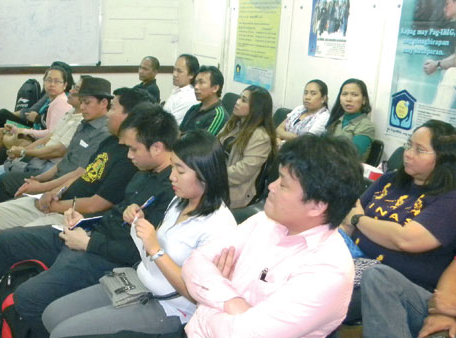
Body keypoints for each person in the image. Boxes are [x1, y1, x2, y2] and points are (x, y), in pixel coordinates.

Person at [0, 105, 180, 338]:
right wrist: (83, 222)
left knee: (28, 298)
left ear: (156, 148)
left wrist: (87, 244)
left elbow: (139, 252)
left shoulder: (170, 191)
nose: (128, 155)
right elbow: (114, 214)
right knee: (7, 242)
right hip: (91, 234)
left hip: (105, 257)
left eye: (134, 149)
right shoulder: (143, 170)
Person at [43, 129, 236, 338]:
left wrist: (156, 250)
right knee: (52, 315)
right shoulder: (180, 202)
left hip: (169, 307)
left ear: (206, 175)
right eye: (172, 167)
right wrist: (137, 219)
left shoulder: (219, 226)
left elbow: (199, 294)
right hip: (138, 282)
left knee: (63, 333)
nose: (171, 176)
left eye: (180, 171)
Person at [181, 134, 363, 337]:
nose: (271, 186)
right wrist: (231, 302)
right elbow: (195, 262)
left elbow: (243, 334)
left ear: (316, 205)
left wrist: (208, 301)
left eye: (283, 184)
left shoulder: (328, 271)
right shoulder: (266, 222)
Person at [0, 87, 154, 239]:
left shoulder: (130, 158)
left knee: (10, 240)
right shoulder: (110, 142)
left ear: (130, 117)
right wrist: (54, 192)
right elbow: (82, 173)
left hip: (76, 216)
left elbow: (97, 204)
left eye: (113, 108)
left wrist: (56, 205)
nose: (108, 113)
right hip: (62, 201)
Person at [339, 120, 456, 337]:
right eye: (409, 145)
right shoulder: (390, 180)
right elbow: (349, 216)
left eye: (419, 150)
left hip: (402, 280)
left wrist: (360, 221)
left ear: (443, 160)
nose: (408, 153)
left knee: (340, 292)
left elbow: (406, 240)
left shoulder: (449, 198)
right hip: (354, 261)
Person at [0, 78, 111, 204]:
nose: (82, 107)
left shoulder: (102, 133)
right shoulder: (83, 124)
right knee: (5, 177)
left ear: (103, 103)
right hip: (55, 174)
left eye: (87, 103)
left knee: (4, 181)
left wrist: (42, 186)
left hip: (67, 185)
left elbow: (78, 173)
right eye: (81, 102)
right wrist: (38, 178)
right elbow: (64, 161)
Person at [0, 65, 72, 179]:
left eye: (57, 81)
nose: (52, 84)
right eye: (49, 80)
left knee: (6, 137)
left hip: (44, 146)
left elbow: (50, 134)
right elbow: (31, 113)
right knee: (1, 131)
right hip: (39, 137)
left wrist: (23, 131)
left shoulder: (60, 103)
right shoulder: (50, 99)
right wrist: (19, 130)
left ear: (64, 85)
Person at [217, 85, 277, 208]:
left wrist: (213, 175)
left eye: (243, 100)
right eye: (239, 97)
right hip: (217, 179)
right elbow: (214, 145)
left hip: (235, 191)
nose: (237, 102)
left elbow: (243, 171)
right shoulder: (233, 123)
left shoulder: (260, 136)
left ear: (256, 108)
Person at [325, 78, 375, 161]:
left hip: (348, 170)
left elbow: (351, 155)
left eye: (354, 95)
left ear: (364, 100)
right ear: (340, 99)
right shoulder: (336, 120)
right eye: (344, 94)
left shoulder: (366, 126)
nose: (348, 99)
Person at [179, 65, 228, 135]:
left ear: (215, 88)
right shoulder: (193, 109)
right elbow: (180, 132)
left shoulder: (218, 115)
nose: (196, 87)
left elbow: (204, 144)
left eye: (201, 83)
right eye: (195, 83)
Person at [163, 54, 199, 124]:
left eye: (179, 71)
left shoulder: (189, 97)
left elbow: (170, 124)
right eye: (174, 70)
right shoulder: (177, 90)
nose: (174, 74)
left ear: (191, 74)